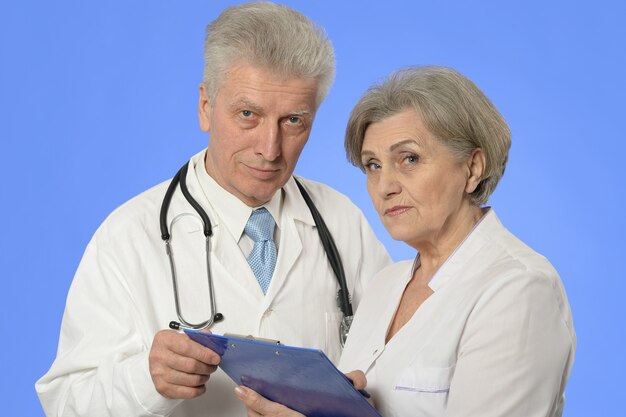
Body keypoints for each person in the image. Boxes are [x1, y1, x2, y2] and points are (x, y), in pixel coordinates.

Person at [35, 3, 391, 416]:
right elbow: (64, 404)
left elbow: (395, 364)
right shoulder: (128, 236)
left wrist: (364, 392)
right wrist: (145, 381)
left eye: (293, 121)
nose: (269, 148)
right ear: (206, 106)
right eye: (247, 114)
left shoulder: (341, 221)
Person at [236, 66, 576, 417]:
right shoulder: (385, 285)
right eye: (373, 165)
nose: (386, 186)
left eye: (409, 159)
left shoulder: (519, 289)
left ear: (473, 168)